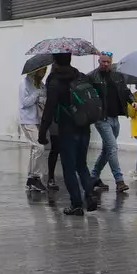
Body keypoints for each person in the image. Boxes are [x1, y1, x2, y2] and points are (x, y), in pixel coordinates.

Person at [40, 53, 97, 216]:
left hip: (67, 130)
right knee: (82, 165)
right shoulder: (80, 76)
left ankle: (77, 205)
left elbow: (49, 109)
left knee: (69, 168)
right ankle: (90, 195)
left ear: (55, 62)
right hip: (84, 127)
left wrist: (42, 131)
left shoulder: (55, 81)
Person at [86, 52, 132, 195]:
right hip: (101, 118)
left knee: (107, 150)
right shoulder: (92, 76)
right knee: (112, 147)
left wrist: (133, 101)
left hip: (114, 117)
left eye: (108, 62)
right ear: (99, 61)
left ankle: (93, 177)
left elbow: (125, 91)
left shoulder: (117, 76)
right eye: (103, 61)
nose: (105, 64)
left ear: (111, 62)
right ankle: (119, 181)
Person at [18, 66, 49, 194]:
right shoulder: (24, 83)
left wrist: (42, 98)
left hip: (38, 119)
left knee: (35, 149)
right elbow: (25, 102)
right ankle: (35, 177)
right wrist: (36, 94)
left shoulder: (41, 84)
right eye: (42, 70)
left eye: (45, 70)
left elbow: (44, 100)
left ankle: (31, 179)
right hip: (27, 120)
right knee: (39, 147)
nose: (43, 73)